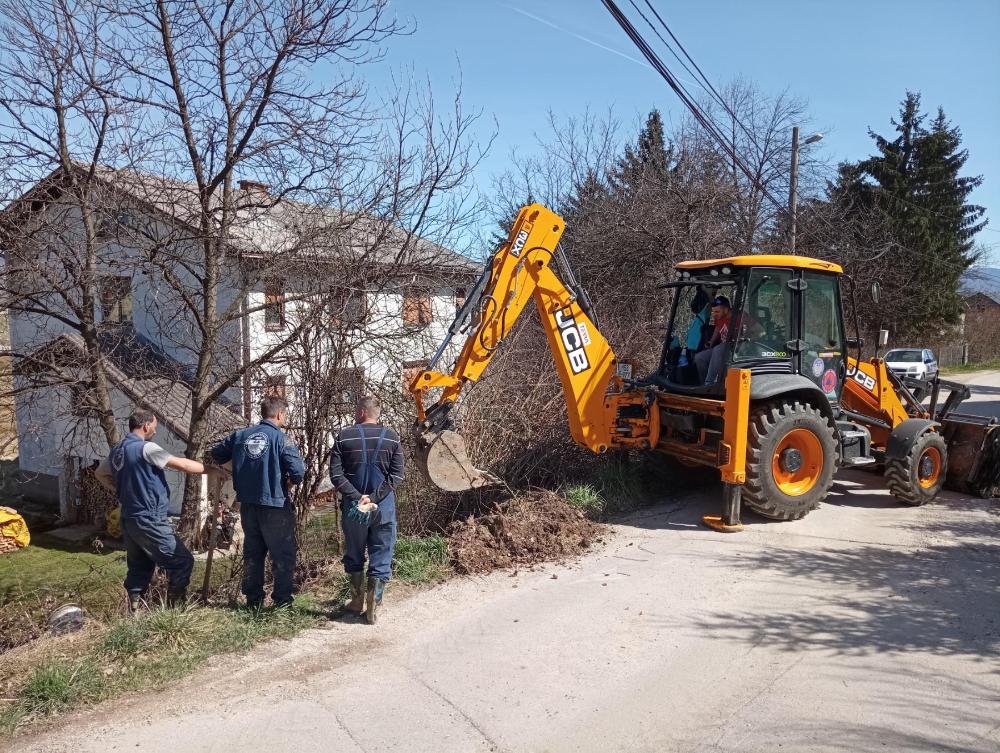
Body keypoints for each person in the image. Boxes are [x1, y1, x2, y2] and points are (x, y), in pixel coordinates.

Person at [96, 409, 223, 613]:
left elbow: (100, 473)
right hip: (149, 518)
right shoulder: (146, 449)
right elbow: (181, 464)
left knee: (139, 569)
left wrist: (121, 489)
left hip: (129, 518)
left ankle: (135, 615)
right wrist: (211, 470)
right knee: (182, 561)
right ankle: (175, 614)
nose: (155, 430)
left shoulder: (117, 450)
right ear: (146, 426)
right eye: (154, 426)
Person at [211, 395, 305, 609]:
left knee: (253, 553)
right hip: (275, 506)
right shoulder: (282, 439)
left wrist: (234, 471)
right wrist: (289, 483)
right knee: (282, 554)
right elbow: (298, 472)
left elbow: (216, 454)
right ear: (280, 414)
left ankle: (253, 601)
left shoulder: (240, 435)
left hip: (248, 505)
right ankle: (281, 602)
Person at [329, 395, 404, 624]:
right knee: (382, 552)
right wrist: (374, 497)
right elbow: (397, 475)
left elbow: (336, 475)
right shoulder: (393, 439)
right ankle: (374, 603)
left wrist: (357, 497)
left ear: (361, 412)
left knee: (354, 552)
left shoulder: (343, 437)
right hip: (383, 507)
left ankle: (355, 601)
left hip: (354, 508)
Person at [694, 295, 734, 386]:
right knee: (699, 357)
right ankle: (703, 386)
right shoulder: (720, 317)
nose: (714, 314)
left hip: (735, 350)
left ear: (726, 309)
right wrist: (711, 341)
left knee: (718, 349)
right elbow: (718, 328)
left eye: (717, 311)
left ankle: (709, 384)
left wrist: (745, 343)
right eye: (713, 311)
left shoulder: (739, 317)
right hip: (723, 348)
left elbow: (760, 331)